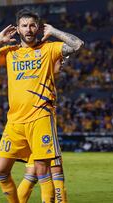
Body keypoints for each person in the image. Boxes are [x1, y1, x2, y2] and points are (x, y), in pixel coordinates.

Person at [0, 9, 83, 203]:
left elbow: (77, 44)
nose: (29, 29)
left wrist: (54, 31)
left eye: (33, 25)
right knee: (0, 170)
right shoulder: (11, 52)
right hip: (15, 122)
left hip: (40, 117)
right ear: (18, 29)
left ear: (38, 27)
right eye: (24, 25)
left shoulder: (48, 49)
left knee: (42, 169)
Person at [17, 58, 69, 203]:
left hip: (30, 129)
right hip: (42, 131)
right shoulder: (45, 79)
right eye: (60, 61)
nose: (62, 64)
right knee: (57, 172)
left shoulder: (37, 78)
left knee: (31, 175)